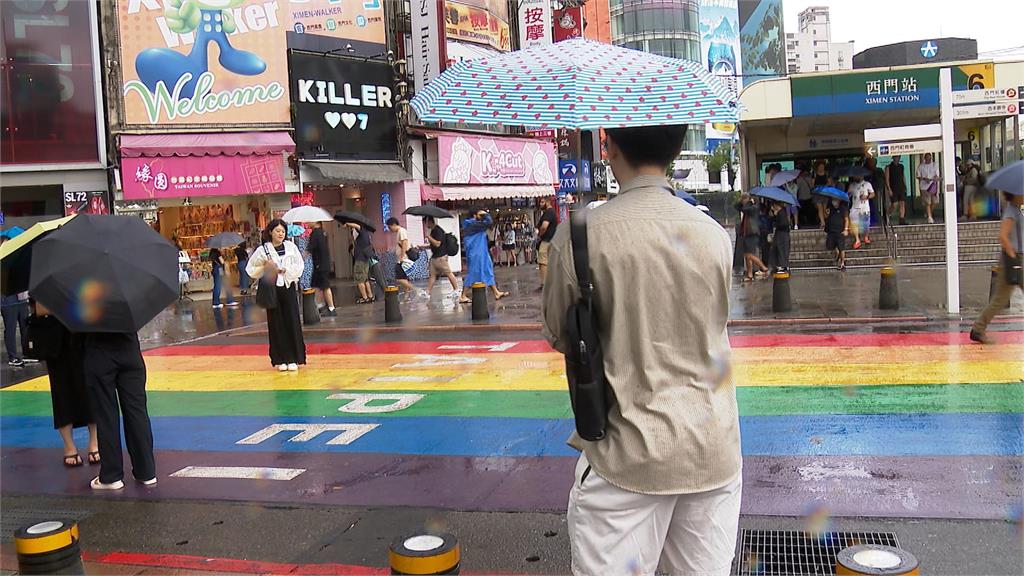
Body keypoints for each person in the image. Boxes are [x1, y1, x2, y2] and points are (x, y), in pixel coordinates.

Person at [542, 124, 740, 575]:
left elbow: (559, 333)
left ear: (608, 146)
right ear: (674, 149)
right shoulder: (713, 234)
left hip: (625, 458)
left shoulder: (580, 235)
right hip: (713, 449)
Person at [33, 301, 99, 468]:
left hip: (83, 333)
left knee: (90, 387)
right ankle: (69, 446)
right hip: (55, 339)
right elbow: (39, 309)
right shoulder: (42, 280)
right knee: (60, 390)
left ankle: (95, 442)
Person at [246, 220, 306, 372]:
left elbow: (300, 265)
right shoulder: (263, 250)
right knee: (276, 323)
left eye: (283, 231)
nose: (281, 234)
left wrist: (286, 270)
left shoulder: (291, 247)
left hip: (288, 286)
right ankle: (280, 359)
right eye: (278, 231)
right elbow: (251, 269)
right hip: (273, 289)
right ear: (271, 232)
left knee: (292, 321)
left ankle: (294, 358)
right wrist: (265, 267)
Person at [970, 191, 1023, 344]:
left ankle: (978, 329)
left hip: (1017, 258)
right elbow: (1003, 236)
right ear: (1015, 194)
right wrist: (1013, 256)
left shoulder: (1017, 209)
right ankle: (978, 329)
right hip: (1013, 259)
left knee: (1000, 299)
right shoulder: (1011, 211)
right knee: (1000, 299)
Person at [459, 209, 509, 304]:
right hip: (476, 253)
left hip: (480, 252)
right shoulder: (473, 224)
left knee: (487, 270)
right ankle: (463, 295)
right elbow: (489, 222)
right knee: (474, 272)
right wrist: (485, 214)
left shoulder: (472, 224)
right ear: (475, 215)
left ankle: (496, 292)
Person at [424, 216, 460, 298]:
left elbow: (437, 244)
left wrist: (429, 237)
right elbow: (433, 245)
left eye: (425, 223)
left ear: (430, 221)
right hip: (435, 257)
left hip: (441, 257)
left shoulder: (438, 230)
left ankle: (456, 290)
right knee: (432, 275)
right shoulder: (433, 231)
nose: (425, 225)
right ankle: (427, 292)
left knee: (448, 273)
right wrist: (423, 247)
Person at [737, 193, 769, 282]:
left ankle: (764, 268)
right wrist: (740, 202)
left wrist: (748, 203)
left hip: (752, 233)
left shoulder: (753, 207)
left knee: (749, 254)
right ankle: (750, 274)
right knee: (747, 255)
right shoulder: (747, 207)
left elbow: (745, 209)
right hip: (746, 233)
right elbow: (738, 207)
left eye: (745, 199)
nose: (743, 200)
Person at [308, 222, 336, 317]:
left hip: (320, 265)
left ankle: (331, 308)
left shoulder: (315, 233)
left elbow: (309, 249)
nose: (307, 223)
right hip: (323, 264)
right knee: (317, 286)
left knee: (324, 286)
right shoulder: (323, 232)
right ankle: (321, 307)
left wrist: (300, 258)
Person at [386, 217, 420, 296]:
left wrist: (402, 257)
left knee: (399, 278)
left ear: (394, 224)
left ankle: (416, 289)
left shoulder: (402, 231)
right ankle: (406, 296)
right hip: (401, 258)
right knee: (404, 278)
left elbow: (405, 243)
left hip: (403, 259)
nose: (389, 229)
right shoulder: (399, 232)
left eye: (390, 227)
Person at [346, 222, 376, 304]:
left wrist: (348, 224)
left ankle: (365, 297)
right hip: (365, 260)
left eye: (353, 230)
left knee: (359, 280)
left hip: (360, 260)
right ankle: (370, 296)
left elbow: (357, 226)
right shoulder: (365, 235)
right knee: (365, 279)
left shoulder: (362, 232)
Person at [1, 290, 32, 368]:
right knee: (10, 328)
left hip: (22, 299)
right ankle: (12, 357)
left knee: (25, 326)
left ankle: (27, 353)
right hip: (8, 300)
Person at [847, 174, 875, 249]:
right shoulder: (852, 185)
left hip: (864, 207)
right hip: (855, 207)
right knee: (854, 223)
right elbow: (848, 194)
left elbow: (873, 194)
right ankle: (857, 240)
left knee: (865, 224)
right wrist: (848, 194)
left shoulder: (867, 184)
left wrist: (867, 197)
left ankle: (866, 236)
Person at [537, 198, 558, 289]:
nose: (540, 204)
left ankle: (544, 283)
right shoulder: (551, 212)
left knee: (543, 263)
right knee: (548, 262)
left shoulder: (549, 212)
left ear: (548, 202)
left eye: (542, 202)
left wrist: (540, 234)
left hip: (546, 241)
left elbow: (544, 226)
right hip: (551, 240)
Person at [825, 198, 851, 270]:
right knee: (830, 246)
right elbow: (826, 217)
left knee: (841, 248)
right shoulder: (830, 208)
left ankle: (842, 263)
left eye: (836, 200)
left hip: (840, 232)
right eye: (833, 200)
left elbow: (846, 219)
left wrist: (846, 229)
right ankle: (838, 255)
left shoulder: (843, 209)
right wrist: (827, 213)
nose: (834, 202)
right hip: (831, 231)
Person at [917, 152, 940, 224]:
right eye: (927, 158)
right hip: (924, 187)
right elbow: (918, 175)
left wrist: (935, 178)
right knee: (928, 202)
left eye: (929, 158)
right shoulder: (921, 166)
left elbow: (937, 174)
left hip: (933, 185)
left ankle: (928, 213)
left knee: (935, 202)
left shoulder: (934, 165)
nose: (928, 159)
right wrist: (924, 178)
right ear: (924, 158)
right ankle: (930, 217)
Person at [886, 155, 909, 225]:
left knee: (902, 203)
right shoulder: (888, 167)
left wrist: (905, 186)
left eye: (899, 157)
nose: (897, 158)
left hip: (901, 187)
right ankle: (887, 214)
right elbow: (887, 178)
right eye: (896, 157)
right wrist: (889, 189)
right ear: (893, 158)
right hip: (893, 188)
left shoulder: (901, 166)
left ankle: (902, 219)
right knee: (894, 204)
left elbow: (903, 176)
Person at [769, 201, 792, 273]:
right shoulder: (781, 212)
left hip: (782, 234)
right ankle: (781, 265)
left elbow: (783, 224)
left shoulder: (781, 213)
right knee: (779, 249)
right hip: (781, 233)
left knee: (782, 249)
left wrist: (775, 218)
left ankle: (783, 265)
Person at [865, 157, 886, 226]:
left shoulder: (879, 170)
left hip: (879, 190)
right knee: (873, 206)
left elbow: (883, 180)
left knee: (880, 205)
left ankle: (881, 220)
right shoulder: (866, 171)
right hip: (869, 191)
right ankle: (874, 220)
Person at [812, 160, 831, 229]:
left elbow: (829, 182)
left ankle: (825, 220)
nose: (821, 168)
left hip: (825, 192)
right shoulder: (814, 174)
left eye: (822, 167)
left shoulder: (826, 174)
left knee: (824, 208)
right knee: (819, 208)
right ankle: (823, 223)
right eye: (820, 167)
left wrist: (825, 186)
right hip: (817, 192)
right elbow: (812, 183)